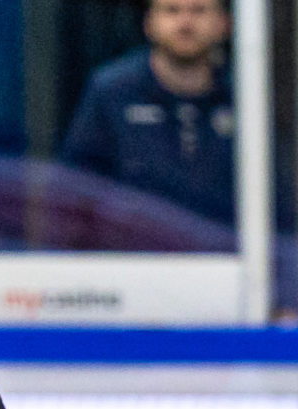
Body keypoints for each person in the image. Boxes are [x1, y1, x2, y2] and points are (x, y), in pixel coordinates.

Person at [59, 0, 236, 235]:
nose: (185, 23)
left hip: (223, 262)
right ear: (149, 22)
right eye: (172, 10)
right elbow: (73, 196)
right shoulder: (112, 93)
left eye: (199, 10)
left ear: (225, 23)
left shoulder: (245, 99)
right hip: (132, 262)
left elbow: (277, 203)